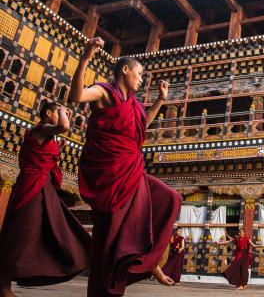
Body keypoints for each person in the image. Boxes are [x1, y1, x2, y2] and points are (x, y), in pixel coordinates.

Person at [70, 37, 182, 296]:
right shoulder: (104, 92)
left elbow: (142, 127)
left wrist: (160, 101)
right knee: (108, 238)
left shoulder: (133, 104)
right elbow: (77, 96)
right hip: (110, 175)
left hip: (131, 171)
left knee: (171, 198)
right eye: (140, 73)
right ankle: (104, 289)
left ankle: (148, 263)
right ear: (125, 70)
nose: (142, 79)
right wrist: (86, 58)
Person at [0, 103, 91, 297]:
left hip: (41, 188)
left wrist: (56, 147)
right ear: (48, 113)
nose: (64, 114)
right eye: (59, 111)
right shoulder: (40, 129)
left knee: (42, 231)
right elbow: (64, 127)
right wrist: (63, 114)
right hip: (31, 188)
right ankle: (2, 286)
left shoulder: (46, 136)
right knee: (21, 233)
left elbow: (45, 153)